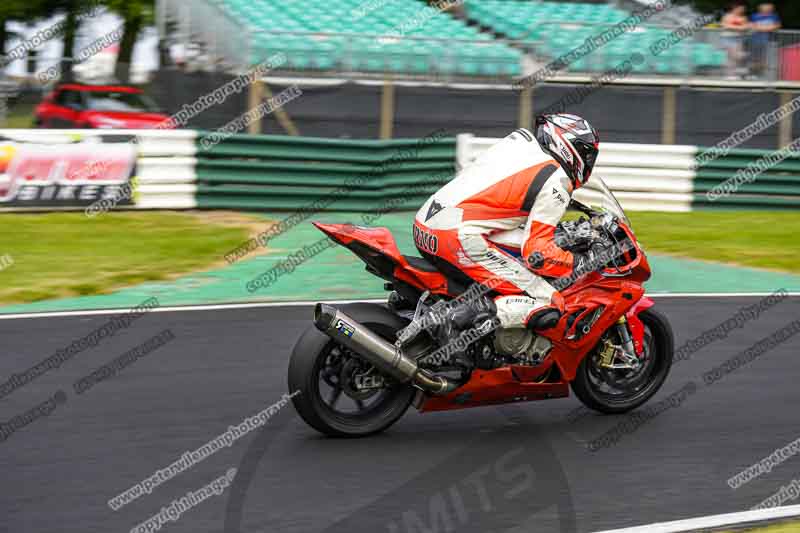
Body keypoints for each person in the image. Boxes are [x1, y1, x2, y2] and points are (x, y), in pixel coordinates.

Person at [412, 113, 606, 335]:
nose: (588, 161)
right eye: (586, 153)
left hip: (426, 223)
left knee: (509, 262)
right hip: (455, 237)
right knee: (549, 301)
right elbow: (538, 255)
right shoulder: (557, 180)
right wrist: (581, 262)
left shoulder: (520, 142)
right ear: (568, 146)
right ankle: (455, 317)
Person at [749, 3, 781, 77]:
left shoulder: (774, 16)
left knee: (767, 59)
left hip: (769, 41)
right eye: (766, 8)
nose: (768, 9)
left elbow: (777, 26)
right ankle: (754, 74)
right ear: (761, 8)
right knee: (755, 58)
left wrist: (760, 28)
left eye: (769, 8)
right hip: (756, 40)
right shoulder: (754, 16)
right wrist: (767, 28)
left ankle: (765, 75)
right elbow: (751, 26)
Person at [720, 2, 750, 78]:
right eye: (741, 8)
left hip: (739, 39)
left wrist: (734, 27)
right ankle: (730, 75)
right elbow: (725, 25)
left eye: (743, 9)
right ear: (735, 8)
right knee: (731, 57)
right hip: (728, 39)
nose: (742, 10)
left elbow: (746, 27)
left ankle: (737, 73)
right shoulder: (727, 16)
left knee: (738, 57)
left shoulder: (743, 18)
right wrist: (739, 28)